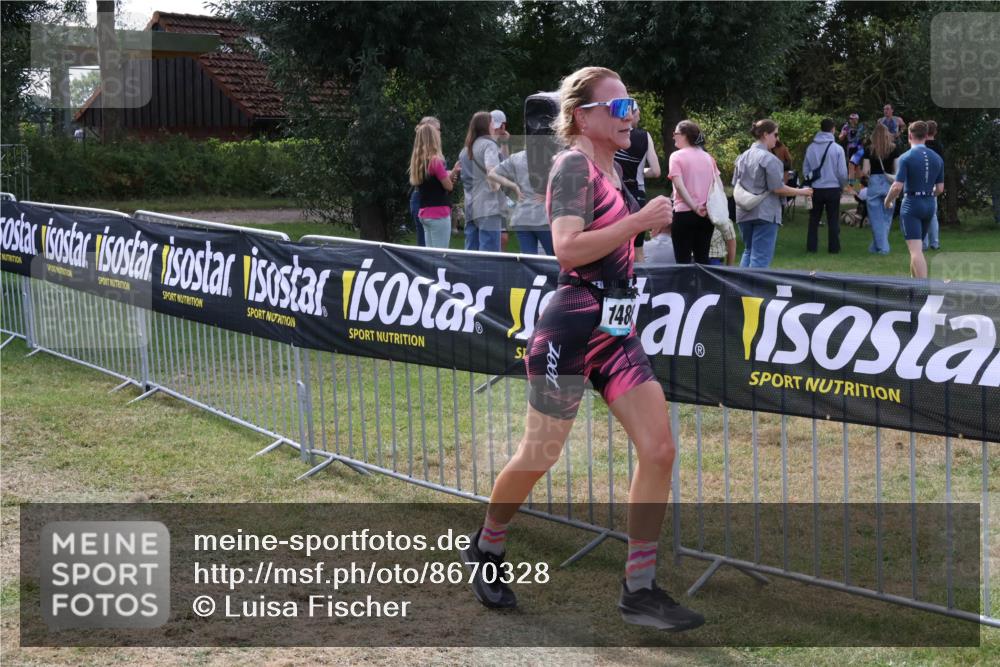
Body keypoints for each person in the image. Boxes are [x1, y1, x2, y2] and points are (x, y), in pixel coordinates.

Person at [460, 66, 704, 632]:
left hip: (615, 331)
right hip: (569, 327)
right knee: (539, 455)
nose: (632, 118)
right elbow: (568, 251)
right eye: (619, 109)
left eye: (633, 107)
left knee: (660, 449)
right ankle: (488, 545)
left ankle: (638, 589)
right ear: (582, 116)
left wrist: (638, 240)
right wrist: (639, 222)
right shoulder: (571, 166)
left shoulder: (612, 168)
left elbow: (611, 246)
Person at [733, 119, 812, 268]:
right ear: (765, 134)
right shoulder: (770, 159)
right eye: (775, 135)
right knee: (760, 258)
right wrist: (802, 191)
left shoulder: (741, 157)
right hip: (765, 213)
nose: (777, 139)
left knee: (748, 252)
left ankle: (741, 289)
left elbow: (735, 184)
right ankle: (754, 291)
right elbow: (778, 188)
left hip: (743, 212)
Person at [884, 121, 944, 279]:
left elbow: (897, 187)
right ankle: (913, 286)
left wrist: (887, 201)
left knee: (916, 250)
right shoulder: (937, 158)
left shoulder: (906, 157)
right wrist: (927, 193)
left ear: (910, 135)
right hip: (929, 205)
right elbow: (940, 189)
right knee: (916, 249)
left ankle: (923, 290)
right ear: (926, 136)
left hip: (912, 204)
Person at [613, 108, 661, 263]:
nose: (639, 117)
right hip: (637, 194)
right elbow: (656, 171)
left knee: (615, 246)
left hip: (615, 194)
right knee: (638, 249)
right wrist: (641, 172)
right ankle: (642, 285)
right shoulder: (644, 136)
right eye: (638, 113)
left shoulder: (611, 134)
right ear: (630, 114)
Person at [667, 120, 718, 264]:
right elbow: (716, 186)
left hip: (684, 213)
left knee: (682, 261)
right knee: (702, 260)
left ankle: (684, 287)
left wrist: (694, 207)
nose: (673, 137)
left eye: (675, 133)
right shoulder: (709, 157)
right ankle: (703, 287)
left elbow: (679, 185)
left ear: (684, 135)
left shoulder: (676, 156)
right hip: (706, 215)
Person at [488, 150, 554, 255]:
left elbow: (492, 174)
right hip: (543, 217)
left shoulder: (516, 157)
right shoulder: (552, 157)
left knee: (528, 261)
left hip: (522, 217)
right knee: (555, 259)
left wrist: (514, 186)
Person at [408, 121, 461, 248]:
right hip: (439, 213)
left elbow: (433, 183)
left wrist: (451, 172)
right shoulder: (436, 161)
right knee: (441, 254)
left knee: (430, 255)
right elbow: (448, 186)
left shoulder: (418, 162)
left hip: (425, 212)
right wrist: (452, 175)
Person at [802, 118, 848, 254]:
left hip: (815, 188)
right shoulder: (837, 148)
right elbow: (842, 173)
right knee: (833, 219)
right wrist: (842, 185)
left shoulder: (811, 147)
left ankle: (811, 247)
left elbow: (806, 169)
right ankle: (834, 248)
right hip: (833, 188)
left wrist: (809, 182)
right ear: (833, 129)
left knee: (813, 219)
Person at [462, 111, 506, 252]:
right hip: (488, 207)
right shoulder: (489, 145)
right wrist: (497, 186)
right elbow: (491, 171)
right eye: (492, 122)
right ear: (486, 125)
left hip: (470, 207)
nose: (494, 126)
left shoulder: (465, 150)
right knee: (489, 255)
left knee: (471, 255)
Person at [861, 122, 902, 255]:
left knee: (875, 217)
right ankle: (878, 247)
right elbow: (897, 170)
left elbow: (865, 170)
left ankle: (882, 248)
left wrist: (867, 177)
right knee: (886, 217)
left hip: (874, 182)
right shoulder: (894, 148)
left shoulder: (869, 149)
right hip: (889, 183)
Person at [409, 117, 441, 247]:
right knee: (427, 247)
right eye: (437, 130)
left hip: (425, 201)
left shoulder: (423, 154)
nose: (439, 133)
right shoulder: (428, 155)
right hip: (425, 202)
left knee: (427, 247)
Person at [923, 120, 943, 251]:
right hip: (934, 180)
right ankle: (935, 242)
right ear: (935, 131)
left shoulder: (921, 145)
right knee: (932, 214)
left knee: (921, 214)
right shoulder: (938, 146)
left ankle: (923, 243)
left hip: (921, 181)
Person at [839, 113, 866, 186]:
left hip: (859, 148)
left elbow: (865, 140)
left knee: (851, 164)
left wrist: (864, 139)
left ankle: (851, 185)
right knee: (856, 168)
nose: (852, 120)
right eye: (851, 119)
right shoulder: (846, 127)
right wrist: (843, 134)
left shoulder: (861, 127)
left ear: (857, 119)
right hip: (850, 148)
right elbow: (840, 138)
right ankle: (862, 183)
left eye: (854, 119)